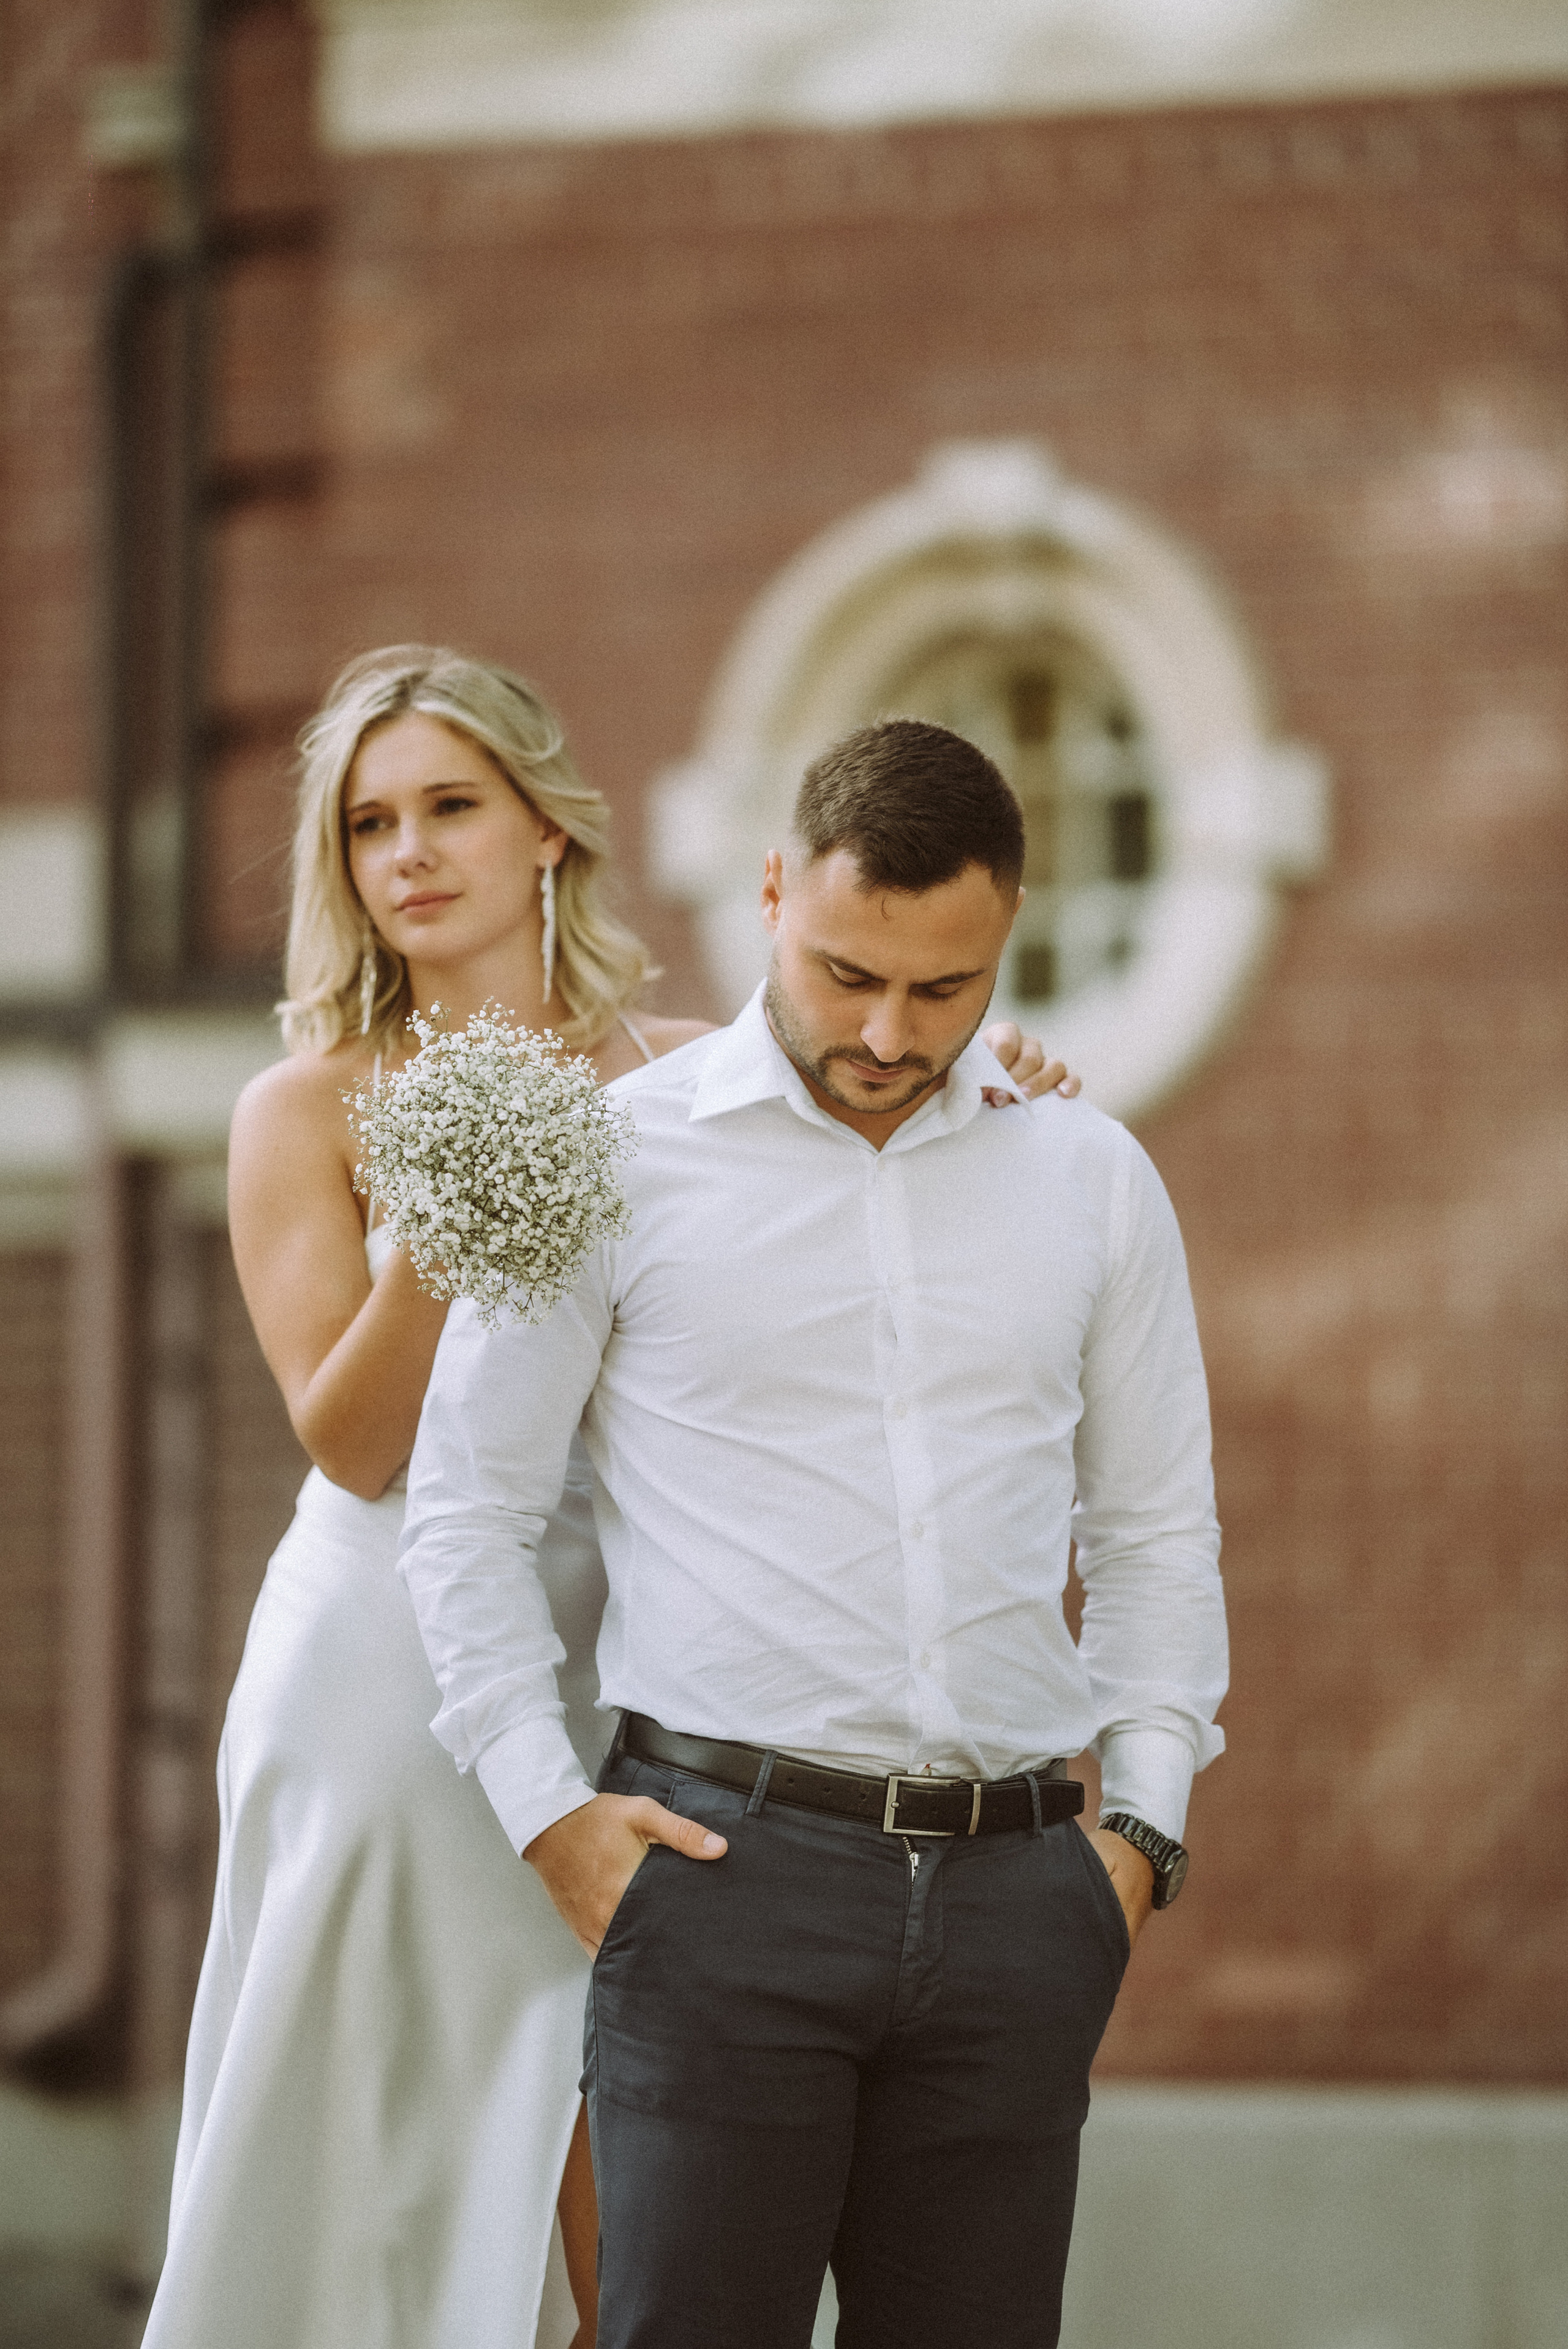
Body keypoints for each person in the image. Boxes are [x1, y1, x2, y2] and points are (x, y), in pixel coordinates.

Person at [143, 653, 1076, 2349]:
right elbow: (349, 1442)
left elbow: (861, 1142)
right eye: (368, 823)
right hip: (382, 1665)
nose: (409, 852)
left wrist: (989, 1077)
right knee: (418, 2137)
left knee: (625, 2158)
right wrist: (461, 1175)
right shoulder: (306, 1104)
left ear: (544, 830)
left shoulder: (692, 1070)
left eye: (449, 806)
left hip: (629, 1660)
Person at [399, 715, 1228, 2349]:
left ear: (1007, 942)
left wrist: (1139, 1837)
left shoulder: (1095, 1180)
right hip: (721, 1883)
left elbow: (1152, 1536)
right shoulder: (616, 1159)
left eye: (945, 987)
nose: (887, 1029)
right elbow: (467, 1509)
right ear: (773, 889)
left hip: (1018, 1903)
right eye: (847, 970)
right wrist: (548, 1814)